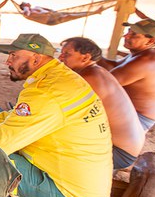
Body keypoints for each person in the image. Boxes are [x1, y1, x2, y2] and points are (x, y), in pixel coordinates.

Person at [0, 34, 112, 197]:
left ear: (36, 58)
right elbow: (22, 115)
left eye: (14, 56)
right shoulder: (63, 78)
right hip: (87, 188)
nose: (8, 62)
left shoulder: (45, 91)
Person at [59, 37, 145, 169]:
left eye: (67, 54)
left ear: (85, 57)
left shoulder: (89, 78)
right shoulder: (97, 71)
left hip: (117, 151)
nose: (60, 57)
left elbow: (58, 110)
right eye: (61, 52)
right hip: (127, 146)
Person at [98, 19, 155, 131]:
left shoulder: (146, 61)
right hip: (129, 113)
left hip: (136, 121)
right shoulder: (143, 53)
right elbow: (114, 66)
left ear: (150, 41)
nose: (126, 36)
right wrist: (92, 52)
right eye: (129, 31)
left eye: (133, 34)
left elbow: (104, 84)